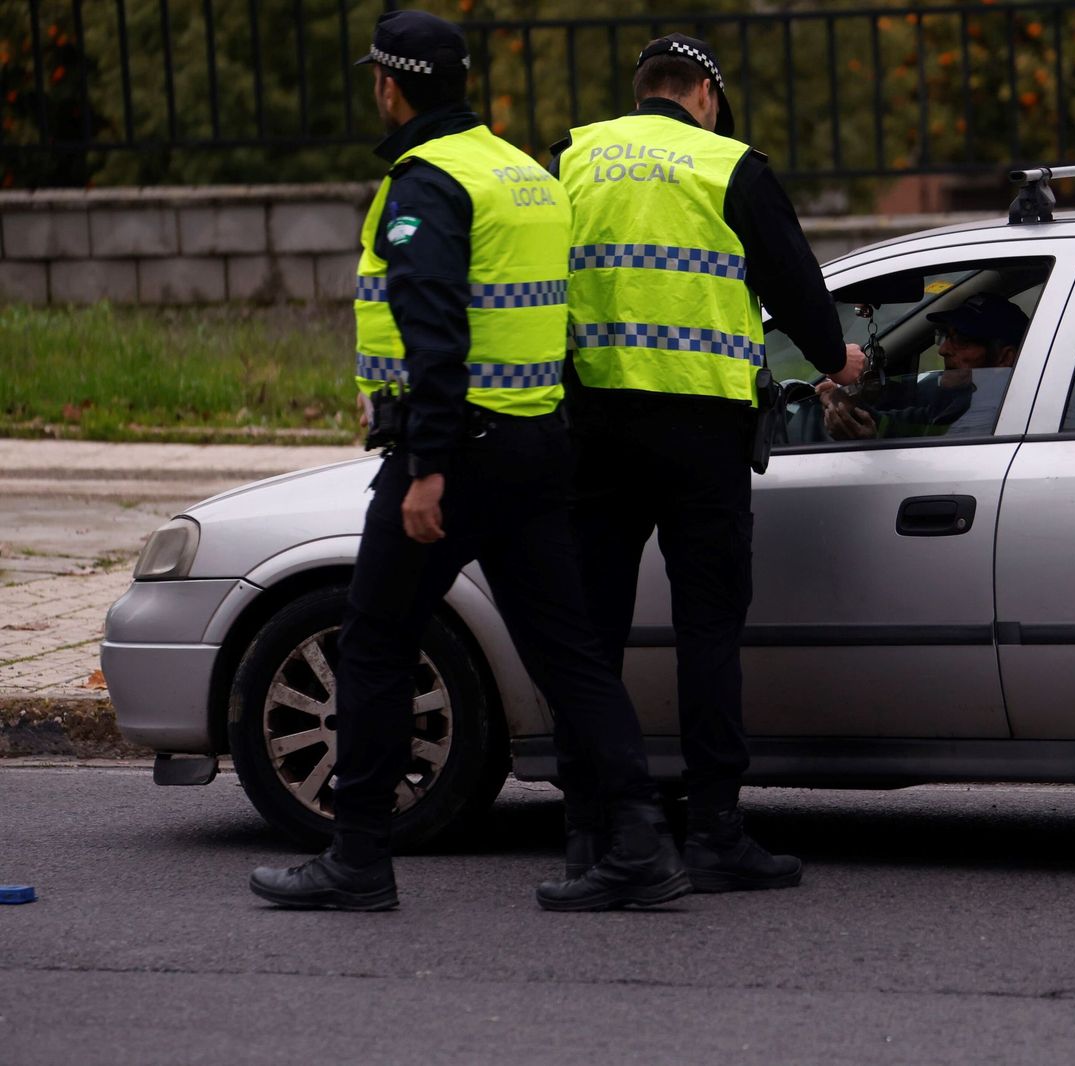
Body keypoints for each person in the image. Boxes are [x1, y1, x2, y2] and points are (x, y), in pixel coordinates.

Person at [250, 10, 688, 913]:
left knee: (373, 644)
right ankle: (638, 842)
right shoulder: (522, 171)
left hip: (455, 454)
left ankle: (359, 859)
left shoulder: (429, 183)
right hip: (533, 445)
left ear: (390, 85)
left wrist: (424, 466)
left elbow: (435, 331)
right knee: (570, 658)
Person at [542, 33, 865, 900]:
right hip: (702, 436)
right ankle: (717, 832)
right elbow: (797, 286)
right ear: (706, 97)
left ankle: (589, 833)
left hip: (594, 428)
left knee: (590, 639)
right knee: (709, 636)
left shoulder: (574, 155)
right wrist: (840, 360)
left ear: (642, 91)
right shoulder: (730, 167)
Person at [819, 292, 1028, 441]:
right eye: (946, 336)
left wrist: (872, 439)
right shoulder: (958, 400)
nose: (943, 349)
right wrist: (844, 399)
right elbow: (899, 423)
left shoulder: (996, 417)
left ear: (1005, 358)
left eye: (962, 341)